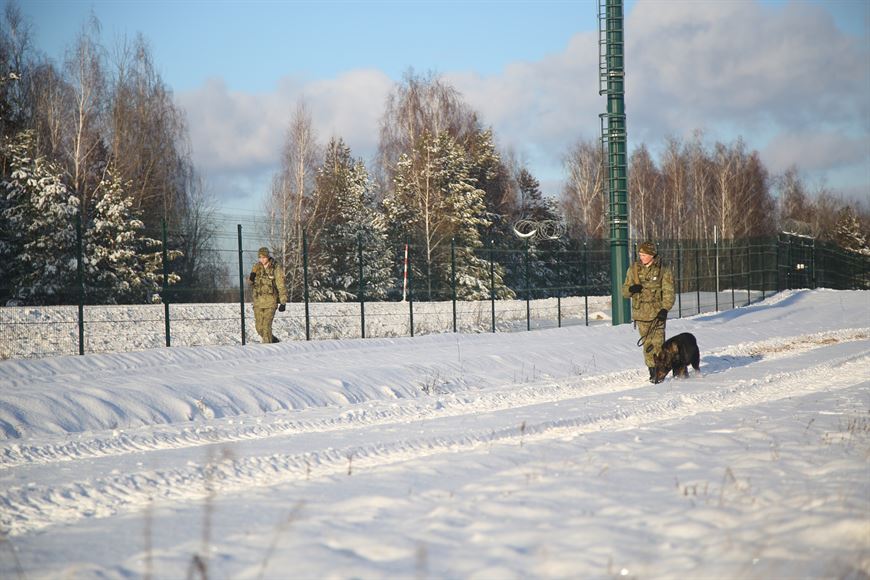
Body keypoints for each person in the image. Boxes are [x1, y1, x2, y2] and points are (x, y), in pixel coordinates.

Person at [622, 240, 675, 382]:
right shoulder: (633, 270)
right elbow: (624, 292)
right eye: (640, 254)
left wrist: (665, 309)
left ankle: (660, 370)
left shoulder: (663, 270)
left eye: (645, 255)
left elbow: (669, 292)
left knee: (658, 344)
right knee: (647, 345)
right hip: (640, 314)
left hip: (657, 314)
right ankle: (652, 371)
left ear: (652, 255)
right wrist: (631, 289)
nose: (642, 257)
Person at [249, 246, 288, 344]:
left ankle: (267, 350)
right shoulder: (256, 267)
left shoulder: (275, 267)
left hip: (270, 302)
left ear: (268, 257)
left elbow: (280, 284)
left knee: (266, 327)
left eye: (264, 257)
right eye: (260, 257)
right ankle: (273, 340)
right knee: (259, 328)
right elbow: (251, 283)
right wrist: (252, 276)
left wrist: (283, 302)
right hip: (258, 302)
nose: (262, 259)